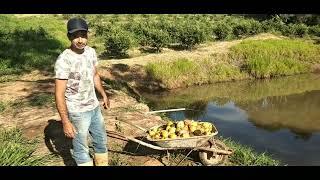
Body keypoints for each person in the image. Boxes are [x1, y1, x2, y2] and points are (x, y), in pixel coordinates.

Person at [54, 17, 110, 166]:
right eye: (76, 36)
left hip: (94, 107)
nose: (80, 40)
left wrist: (103, 95)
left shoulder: (91, 52)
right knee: (81, 149)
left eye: (83, 35)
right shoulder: (64, 60)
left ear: (87, 35)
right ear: (69, 37)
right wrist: (65, 121)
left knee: (101, 142)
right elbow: (59, 94)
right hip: (77, 111)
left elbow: (95, 75)